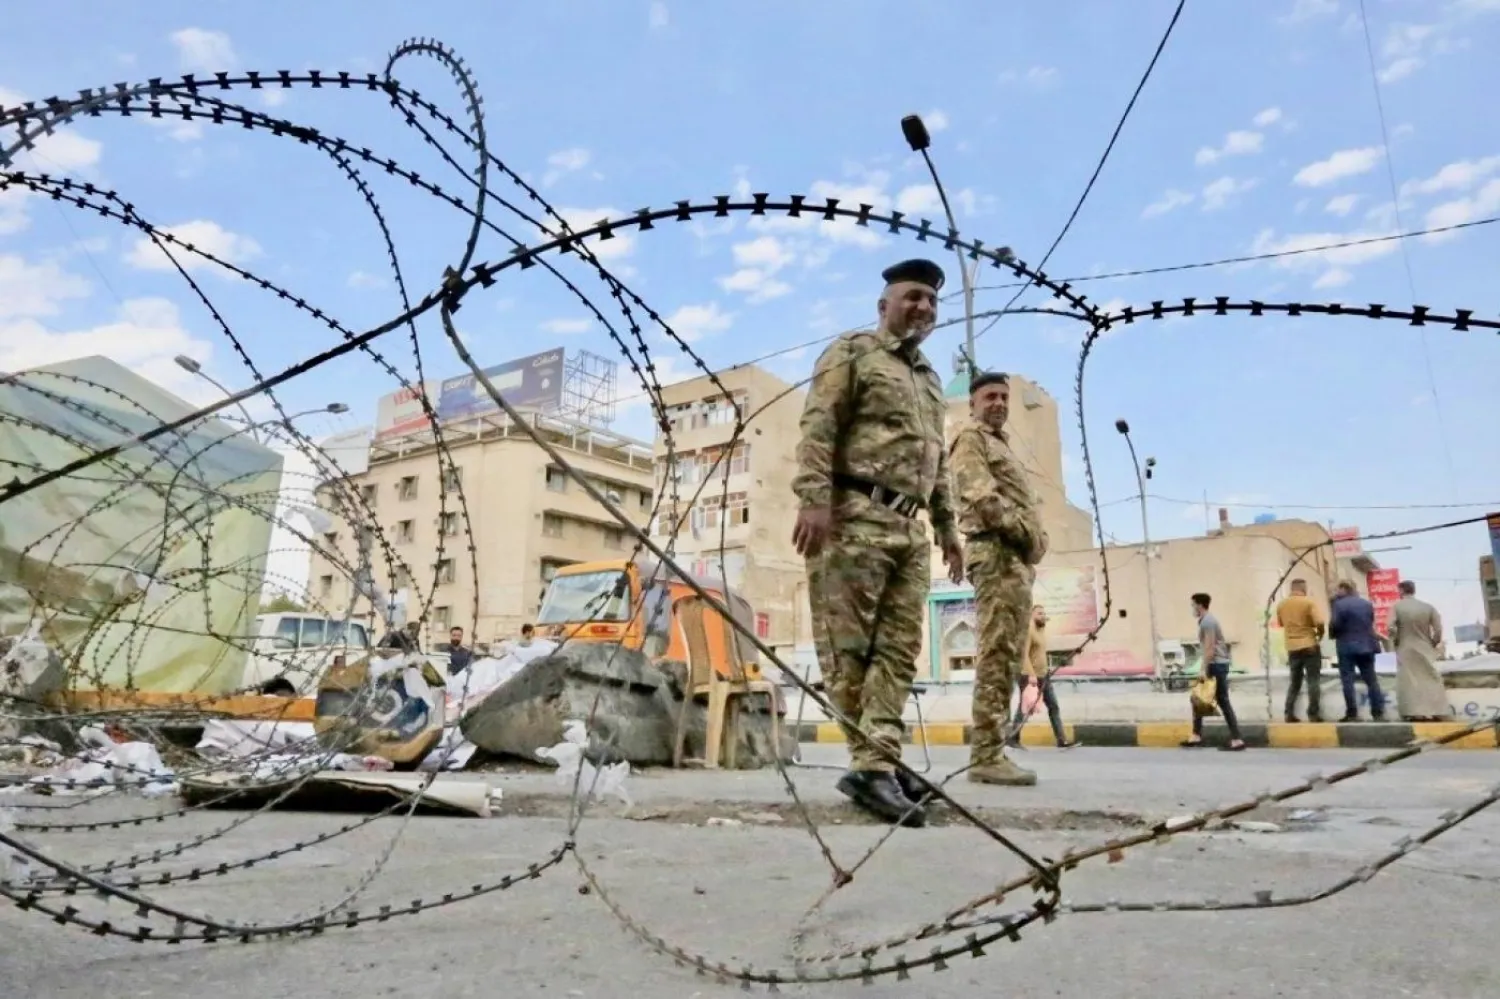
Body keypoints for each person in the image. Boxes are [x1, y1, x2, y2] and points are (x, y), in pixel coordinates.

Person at [792, 257, 964, 827]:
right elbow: (820, 425)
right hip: (853, 514)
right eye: (913, 296)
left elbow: (936, 459)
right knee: (850, 650)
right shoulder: (853, 352)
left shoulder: (928, 380)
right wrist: (813, 499)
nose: (923, 307)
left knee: (897, 651)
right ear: (884, 305)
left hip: (908, 529)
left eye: (932, 301)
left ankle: (881, 757)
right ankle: (870, 763)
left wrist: (947, 529)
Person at [950, 370, 1049, 785]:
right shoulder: (970, 439)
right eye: (990, 397)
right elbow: (982, 498)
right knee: (996, 653)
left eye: (1004, 397)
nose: (999, 404)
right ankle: (986, 755)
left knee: (1007, 654)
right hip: (995, 552)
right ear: (973, 403)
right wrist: (1031, 537)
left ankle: (994, 750)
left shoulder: (1001, 445)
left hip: (1012, 558)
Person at [1181, 592, 1246, 751]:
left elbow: (1209, 647)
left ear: (1199, 605)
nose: (1192, 609)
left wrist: (1204, 669)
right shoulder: (1206, 621)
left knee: (1218, 700)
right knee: (1199, 699)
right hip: (1217, 664)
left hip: (1215, 665)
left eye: (1193, 605)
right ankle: (1197, 735)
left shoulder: (1208, 622)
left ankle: (1236, 739)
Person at [1010, 605, 1080, 751]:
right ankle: (1013, 738)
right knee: (1025, 708)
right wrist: (1031, 675)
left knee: (1053, 706)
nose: (1043, 616)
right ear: (1031, 615)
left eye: (1044, 613)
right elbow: (1023, 655)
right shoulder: (1029, 631)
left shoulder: (1041, 631)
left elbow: (1040, 654)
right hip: (1029, 676)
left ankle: (1062, 740)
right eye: (1039, 613)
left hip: (1044, 675)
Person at [1386, 580, 1450, 720]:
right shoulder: (1428, 607)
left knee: (1409, 681)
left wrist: (1395, 642)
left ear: (1402, 590)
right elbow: (1438, 629)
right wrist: (1433, 643)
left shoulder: (1397, 607)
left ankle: (1413, 713)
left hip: (1405, 648)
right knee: (1430, 678)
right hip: (1425, 648)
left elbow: (1390, 627)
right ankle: (1436, 711)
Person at [1328, 579, 1386, 721]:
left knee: (1348, 680)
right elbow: (1370, 622)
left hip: (1346, 646)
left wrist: (1333, 634)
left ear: (1343, 589)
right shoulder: (1366, 604)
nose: (1337, 592)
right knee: (1371, 680)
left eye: (1338, 589)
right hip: (1367, 645)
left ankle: (1352, 713)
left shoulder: (1339, 605)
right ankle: (1378, 713)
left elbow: (1335, 624)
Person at [1274, 579, 1326, 722]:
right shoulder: (1308, 602)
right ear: (1304, 588)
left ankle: (1288, 713)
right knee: (1313, 681)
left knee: (1294, 682)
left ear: (1292, 588)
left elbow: (1280, 624)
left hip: (1292, 647)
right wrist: (1320, 633)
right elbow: (1320, 622)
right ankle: (1313, 714)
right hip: (1309, 645)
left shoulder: (1281, 605)